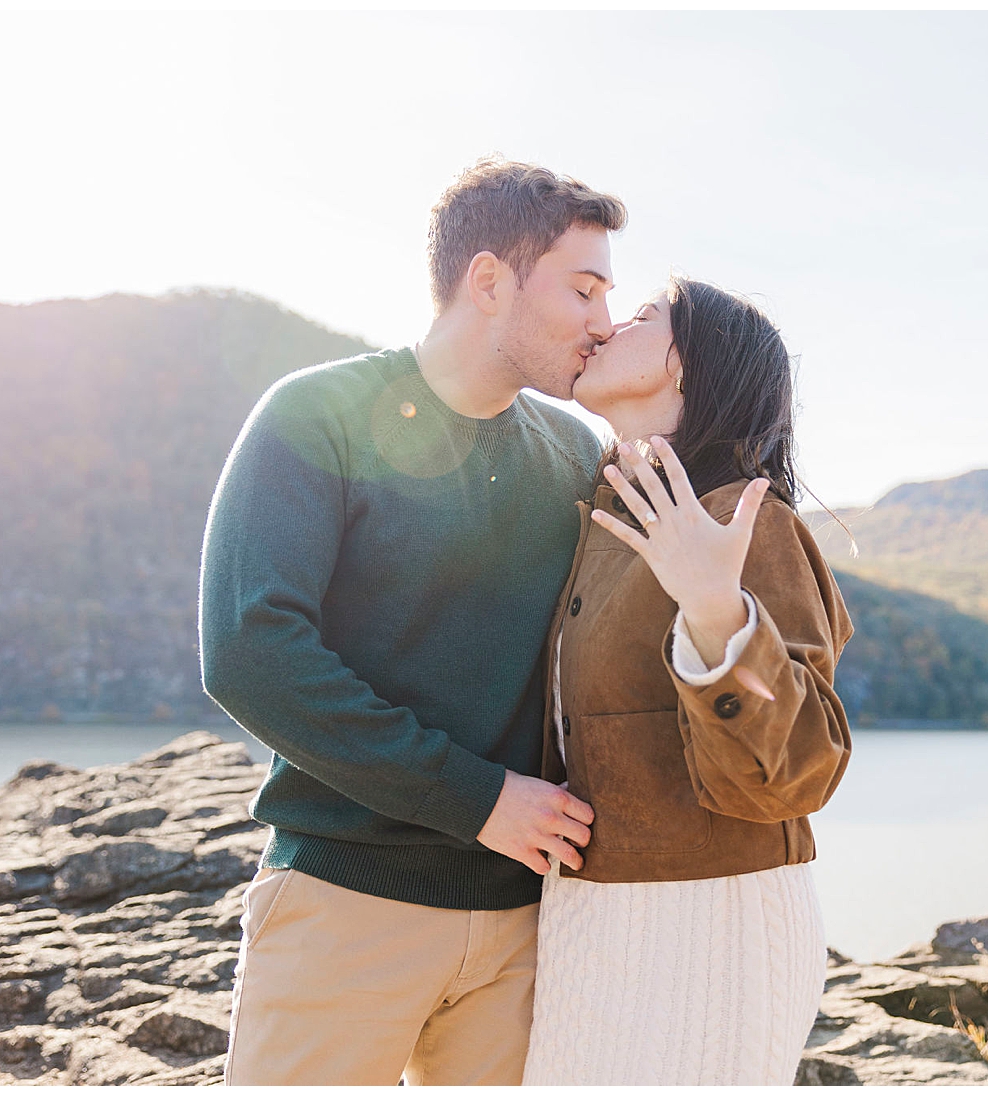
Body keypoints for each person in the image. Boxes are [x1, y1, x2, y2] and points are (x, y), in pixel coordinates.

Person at [200, 159, 625, 1085]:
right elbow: (249, 651)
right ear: (488, 281)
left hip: (524, 925)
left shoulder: (578, 456)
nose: (603, 322)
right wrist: (474, 799)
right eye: (583, 289)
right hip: (344, 907)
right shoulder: (318, 416)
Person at [520, 278, 852, 1085]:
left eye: (640, 317)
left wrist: (714, 608)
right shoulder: (606, 517)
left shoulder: (744, 519)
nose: (606, 327)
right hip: (590, 917)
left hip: (713, 924)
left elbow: (797, 772)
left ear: (688, 366)